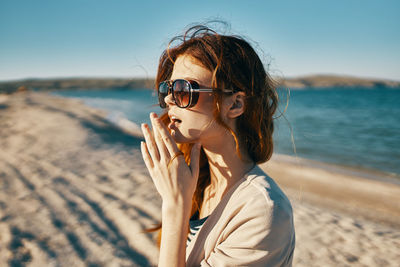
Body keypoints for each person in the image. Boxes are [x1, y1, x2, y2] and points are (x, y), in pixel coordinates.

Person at [140, 24, 295, 267]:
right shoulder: (196, 184)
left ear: (234, 104)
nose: (169, 99)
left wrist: (174, 205)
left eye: (184, 89)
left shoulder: (262, 211)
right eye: (167, 89)